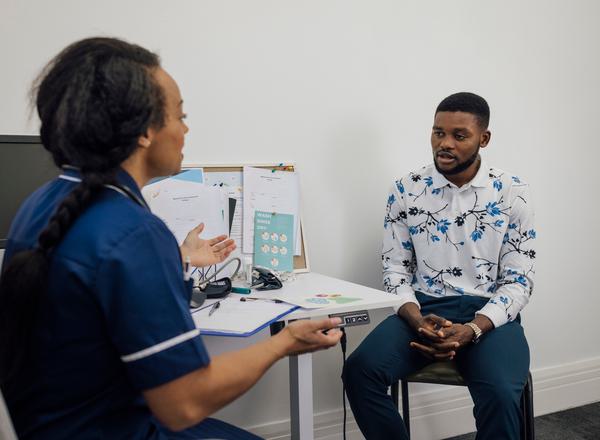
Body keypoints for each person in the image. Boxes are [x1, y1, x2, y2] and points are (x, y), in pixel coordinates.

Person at [0, 37, 342, 440]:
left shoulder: (41, 204)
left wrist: (177, 259)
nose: (186, 129)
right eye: (180, 116)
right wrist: (284, 342)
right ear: (145, 131)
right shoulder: (132, 232)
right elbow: (185, 404)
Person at [343, 92, 536, 439]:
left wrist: (473, 329)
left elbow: (519, 281)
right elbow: (394, 269)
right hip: (423, 309)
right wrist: (417, 321)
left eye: (459, 135)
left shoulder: (512, 192)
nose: (444, 144)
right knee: (360, 370)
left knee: (502, 393)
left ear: (484, 138)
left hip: (489, 315)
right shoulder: (406, 189)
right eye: (437, 132)